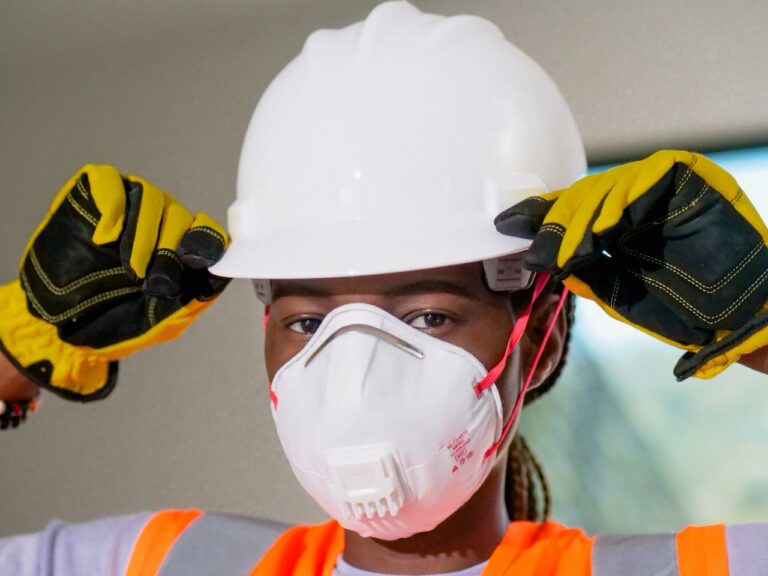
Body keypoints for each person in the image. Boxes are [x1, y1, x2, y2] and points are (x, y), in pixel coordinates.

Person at [2, 2, 768, 574]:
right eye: (306, 322)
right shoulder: (168, 562)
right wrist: (14, 355)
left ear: (539, 335)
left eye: (429, 315)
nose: (354, 369)